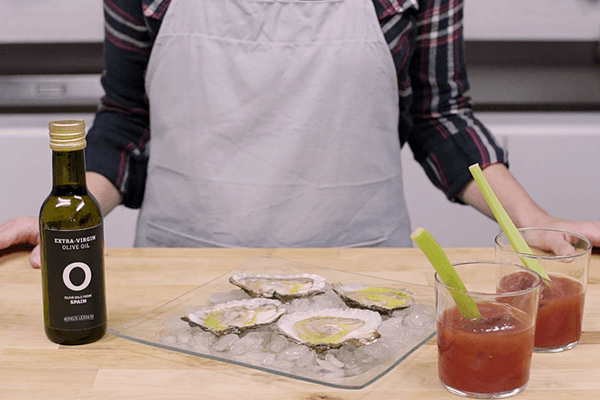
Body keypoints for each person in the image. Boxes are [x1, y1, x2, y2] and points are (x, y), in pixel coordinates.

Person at [1, 0, 599, 269]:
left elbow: (439, 117)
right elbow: (129, 122)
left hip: (363, 272)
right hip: (181, 275)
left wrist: (529, 217)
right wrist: (69, 216)